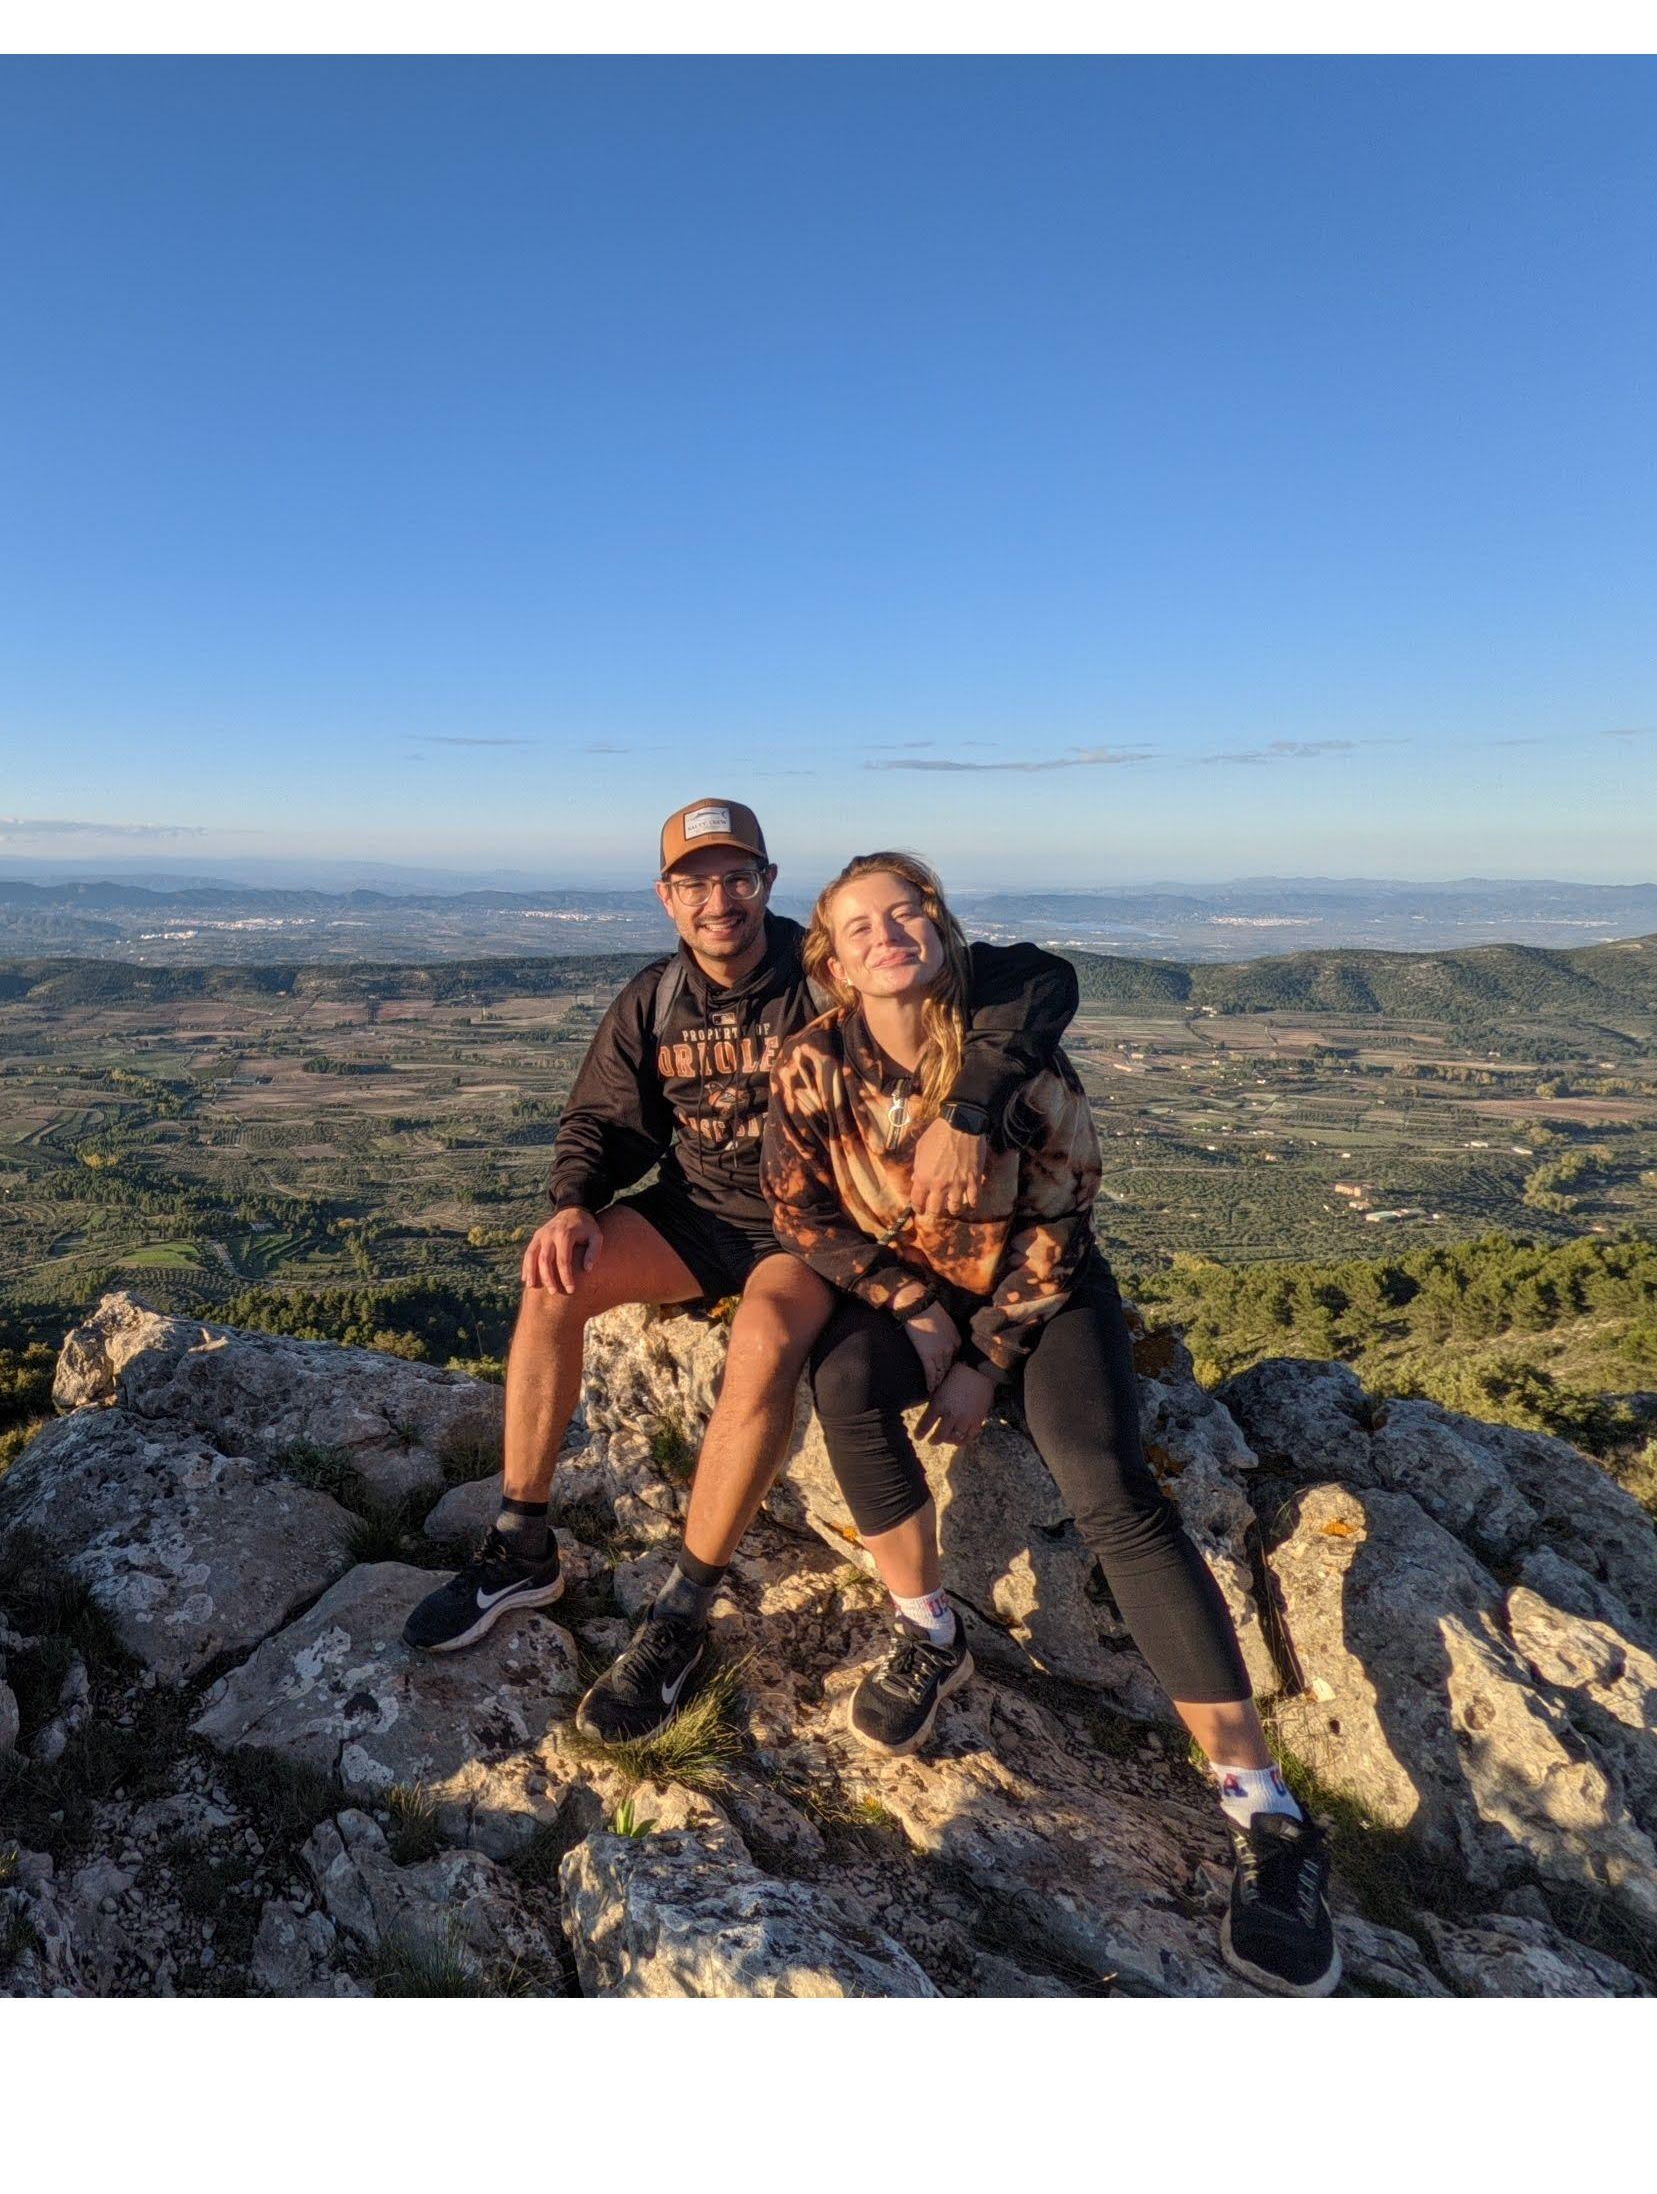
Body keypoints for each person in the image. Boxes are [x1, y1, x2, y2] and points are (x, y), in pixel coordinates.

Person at [761, 849, 1339, 1995]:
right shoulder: (812, 1063)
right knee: (844, 1387)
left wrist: (986, 1356)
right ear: (830, 958)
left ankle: (1264, 1810)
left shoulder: (1005, 1049)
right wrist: (916, 1308)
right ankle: (931, 1632)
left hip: (1043, 1291)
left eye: (910, 911)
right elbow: (800, 1207)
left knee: (1106, 1483)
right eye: (861, 923)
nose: (891, 932)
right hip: (920, 1286)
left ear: (941, 928)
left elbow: (1065, 1217)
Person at [404, 798, 1081, 1749]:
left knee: (763, 1341)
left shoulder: (827, 972)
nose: (717, 899)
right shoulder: (655, 998)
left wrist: (966, 1112)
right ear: (666, 898)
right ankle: (521, 1543)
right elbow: (601, 1122)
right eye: (695, 882)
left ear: (766, 884)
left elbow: (1035, 980)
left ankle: (681, 1612)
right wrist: (571, 1201)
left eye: (737, 877)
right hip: (694, 1211)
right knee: (553, 1280)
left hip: (804, 1230)